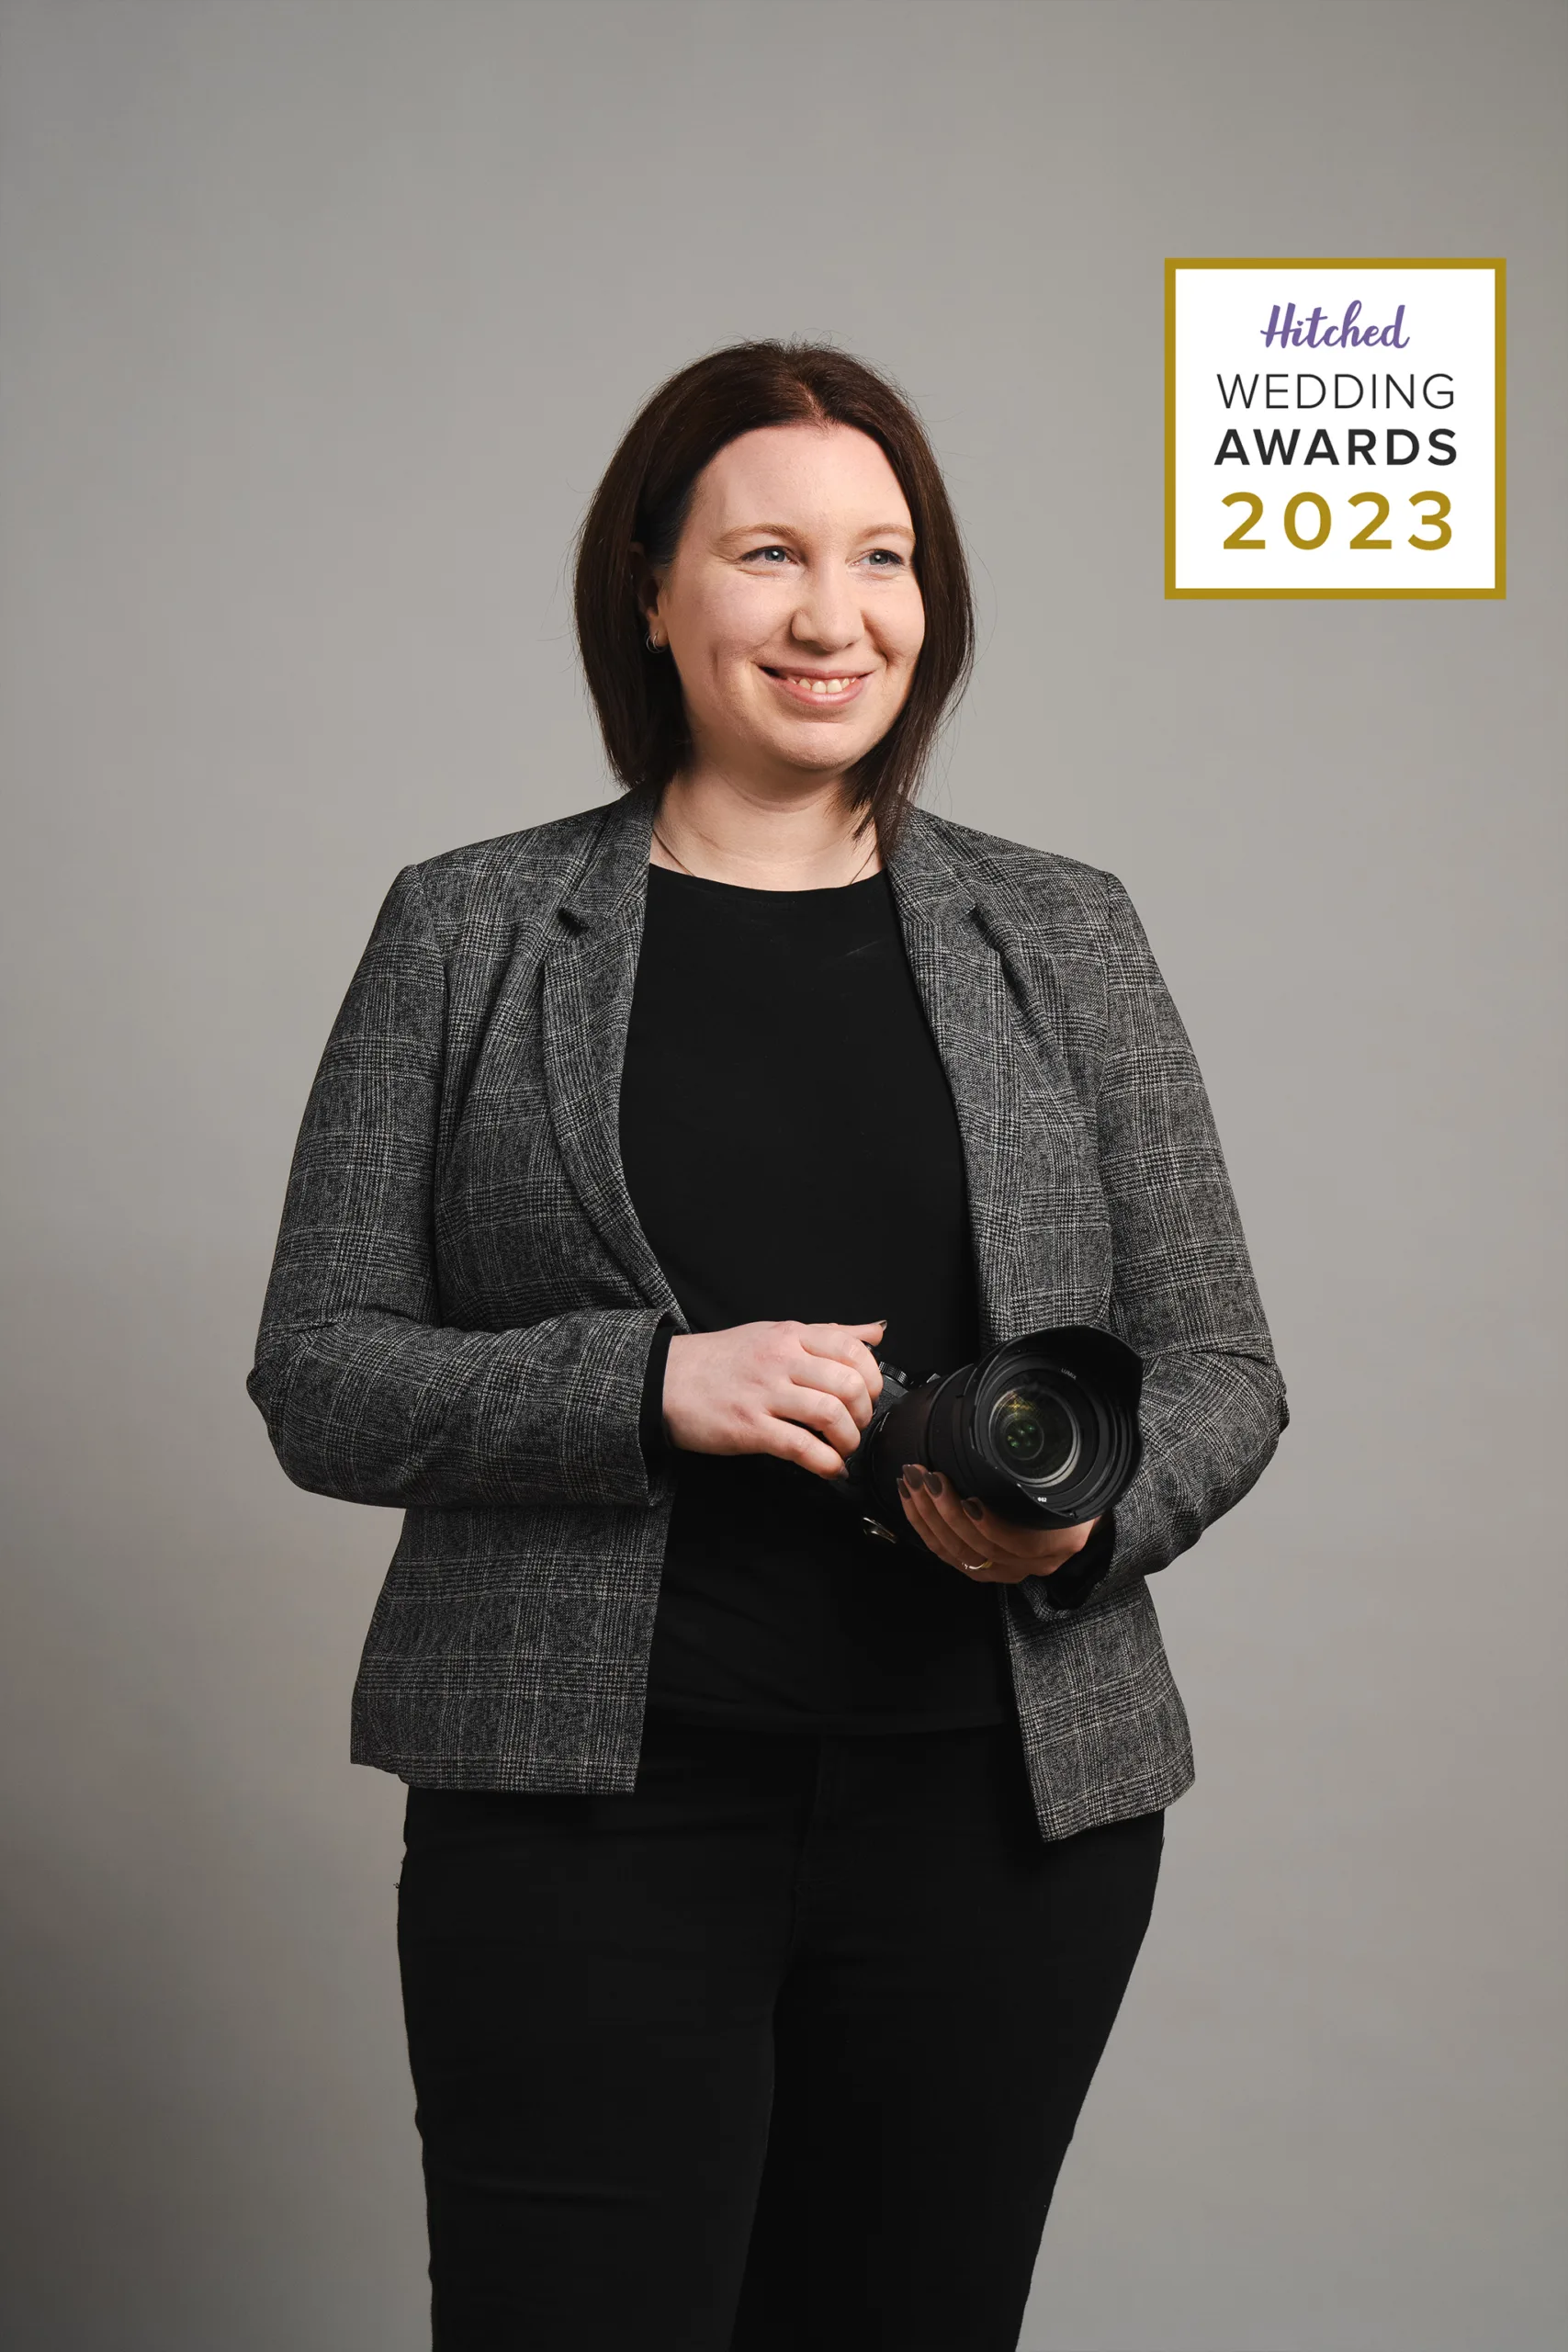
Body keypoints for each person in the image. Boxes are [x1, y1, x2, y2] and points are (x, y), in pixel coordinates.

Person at [247, 340, 1288, 2352]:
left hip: (999, 1821)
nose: (836, 614)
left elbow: (1223, 1362)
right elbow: (320, 1367)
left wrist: (1075, 1533)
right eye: (768, 553)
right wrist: (646, 1384)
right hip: (580, 1820)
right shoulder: (468, 929)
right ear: (651, 589)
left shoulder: (1062, 933)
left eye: (883, 556)